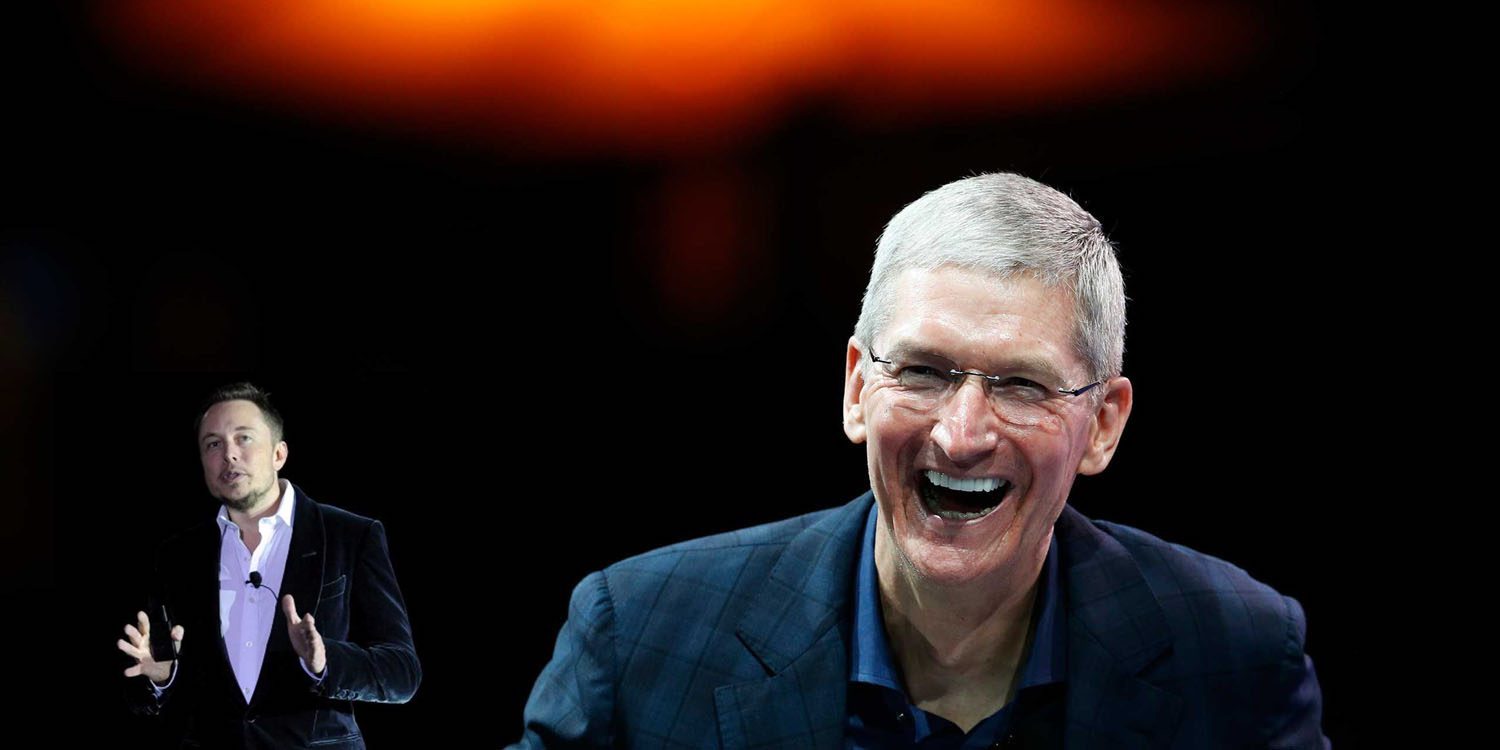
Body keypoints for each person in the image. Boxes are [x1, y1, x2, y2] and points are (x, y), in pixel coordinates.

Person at [514, 173, 1328, 748]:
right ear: (856, 389)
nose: (961, 435)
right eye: (924, 372)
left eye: (1021, 384)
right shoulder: (638, 639)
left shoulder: (1239, 658)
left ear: (1103, 424)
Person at [119, 382, 421, 749]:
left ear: (279, 454)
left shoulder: (351, 536)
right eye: (213, 444)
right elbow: (147, 686)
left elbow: (402, 674)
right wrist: (160, 680)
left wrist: (324, 660)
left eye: (243, 438)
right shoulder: (178, 555)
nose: (229, 454)